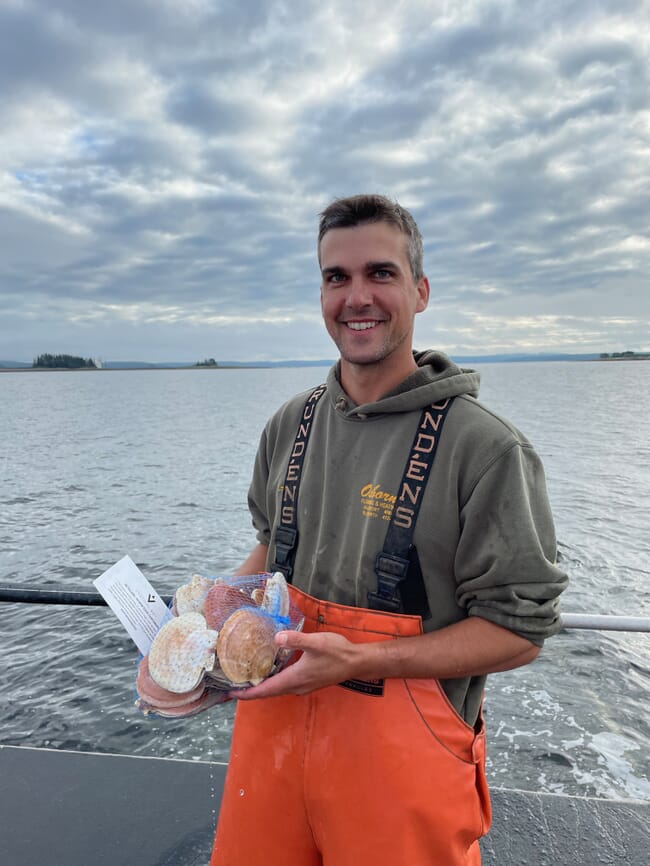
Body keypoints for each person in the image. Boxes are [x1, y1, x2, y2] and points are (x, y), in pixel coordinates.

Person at [210, 194, 568, 866]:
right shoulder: (291, 424)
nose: (356, 297)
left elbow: (520, 632)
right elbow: (270, 548)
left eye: (381, 273)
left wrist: (366, 659)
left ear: (421, 291)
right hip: (272, 750)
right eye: (335, 277)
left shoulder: (486, 449)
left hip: (400, 775)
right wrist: (204, 637)